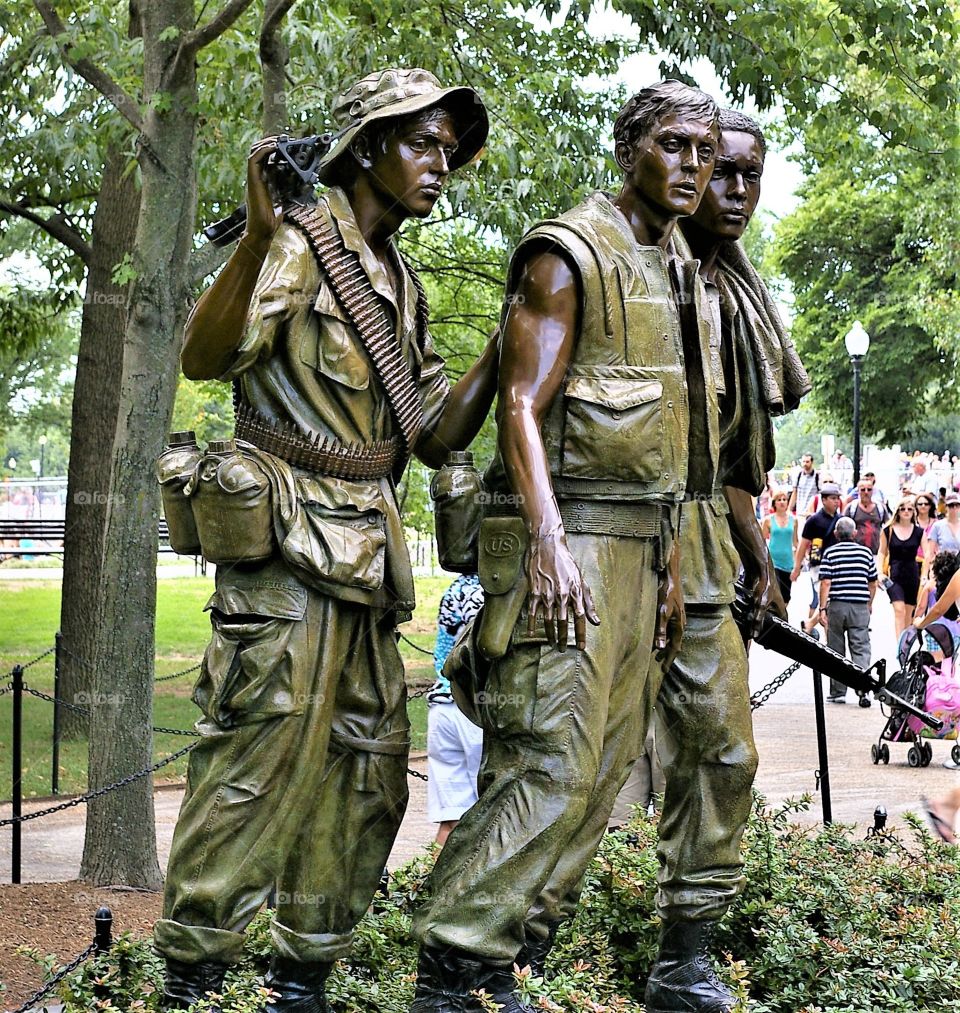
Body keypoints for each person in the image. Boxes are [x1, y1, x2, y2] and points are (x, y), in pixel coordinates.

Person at [155, 68, 496, 1012]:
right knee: (253, 766)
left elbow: (430, 431)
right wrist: (259, 239)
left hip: (367, 557)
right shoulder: (306, 246)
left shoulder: (400, 278)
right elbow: (207, 355)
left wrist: (511, 340)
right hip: (290, 552)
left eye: (447, 149)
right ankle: (195, 976)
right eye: (422, 143)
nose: (441, 164)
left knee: (368, 774)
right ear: (369, 146)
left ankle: (302, 975)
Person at [409, 80, 723, 1013]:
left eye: (704, 152)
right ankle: (452, 967)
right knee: (552, 762)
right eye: (673, 145)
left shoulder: (674, 268)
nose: (693, 168)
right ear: (630, 147)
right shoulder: (566, 253)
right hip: (569, 536)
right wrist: (546, 540)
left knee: (605, 766)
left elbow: (664, 445)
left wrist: (668, 566)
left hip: (639, 545)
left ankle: (502, 959)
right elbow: (517, 406)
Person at [427, 573, 485, 846]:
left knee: (451, 823)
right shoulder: (495, 589)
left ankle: (426, 886)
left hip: (442, 707)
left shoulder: (458, 587)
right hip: (475, 709)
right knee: (490, 818)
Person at [817, 516, 878, 705]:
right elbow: (873, 582)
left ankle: (838, 691)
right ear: (854, 533)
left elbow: (826, 582)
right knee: (860, 646)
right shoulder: (865, 553)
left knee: (836, 648)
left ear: (835, 534)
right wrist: (869, 603)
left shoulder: (830, 553)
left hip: (837, 605)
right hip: (859, 606)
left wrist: (822, 608)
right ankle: (863, 688)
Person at [790, 481, 843, 628]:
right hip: (818, 564)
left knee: (829, 600)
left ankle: (809, 625)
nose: (836, 502)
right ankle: (826, 636)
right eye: (833, 498)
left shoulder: (840, 520)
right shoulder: (813, 521)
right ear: (823, 500)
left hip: (837, 565)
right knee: (826, 600)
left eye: (837, 498)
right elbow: (803, 544)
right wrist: (797, 567)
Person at [877, 499, 923, 640]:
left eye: (909, 509)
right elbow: (881, 552)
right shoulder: (888, 530)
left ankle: (906, 645)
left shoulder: (919, 532)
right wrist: (879, 572)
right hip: (894, 575)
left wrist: (926, 574)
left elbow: (928, 554)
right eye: (903, 509)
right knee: (899, 610)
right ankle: (899, 648)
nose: (906, 512)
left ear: (914, 512)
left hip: (912, 575)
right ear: (898, 511)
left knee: (908, 615)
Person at [763, 488, 798, 605]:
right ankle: (776, 616)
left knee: (786, 596)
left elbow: (796, 542)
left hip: (788, 561)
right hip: (774, 561)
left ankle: (782, 617)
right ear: (774, 503)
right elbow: (762, 541)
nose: (782, 502)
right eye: (779, 500)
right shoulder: (768, 520)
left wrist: (798, 564)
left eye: (784, 499)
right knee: (775, 592)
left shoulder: (794, 520)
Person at [842, 479, 888, 554]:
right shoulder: (851, 508)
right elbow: (843, 529)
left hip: (876, 553)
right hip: (855, 553)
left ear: (873, 491)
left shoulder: (880, 508)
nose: (866, 492)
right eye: (863, 490)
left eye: (869, 489)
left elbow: (888, 527)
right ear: (858, 491)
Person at [924, 490, 960, 579]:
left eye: (957, 505)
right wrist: (926, 573)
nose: (954, 508)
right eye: (951, 505)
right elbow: (929, 552)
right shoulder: (938, 526)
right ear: (946, 507)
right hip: (943, 570)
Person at [788, 452, 819, 524]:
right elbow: (794, 493)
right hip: (800, 512)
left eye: (807, 462)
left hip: (812, 513)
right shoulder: (798, 476)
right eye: (803, 461)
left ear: (812, 462)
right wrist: (789, 509)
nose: (805, 464)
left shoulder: (817, 476)